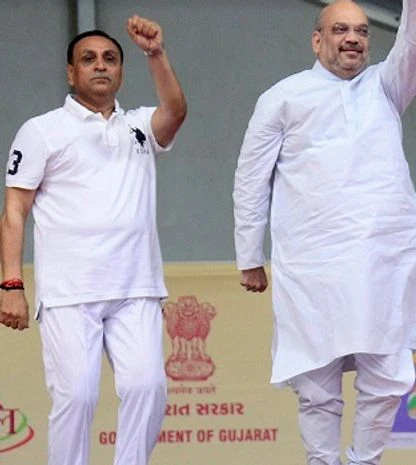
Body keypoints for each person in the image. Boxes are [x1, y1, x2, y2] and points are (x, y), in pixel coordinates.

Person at [232, 1, 416, 464]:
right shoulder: (282, 97)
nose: (353, 38)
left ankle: (365, 460)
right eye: (340, 29)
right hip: (312, 263)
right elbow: (251, 180)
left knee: (387, 377)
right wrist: (249, 256)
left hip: (384, 258)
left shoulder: (386, 85)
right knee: (316, 387)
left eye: (361, 31)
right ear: (316, 40)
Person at [0, 16, 186, 465]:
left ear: (121, 70)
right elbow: (14, 210)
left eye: (110, 59)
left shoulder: (138, 125)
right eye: (88, 59)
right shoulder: (41, 130)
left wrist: (156, 54)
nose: (100, 66)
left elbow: (175, 112)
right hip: (70, 292)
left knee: (148, 388)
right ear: (71, 72)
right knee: (77, 397)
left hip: (136, 288)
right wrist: (11, 284)